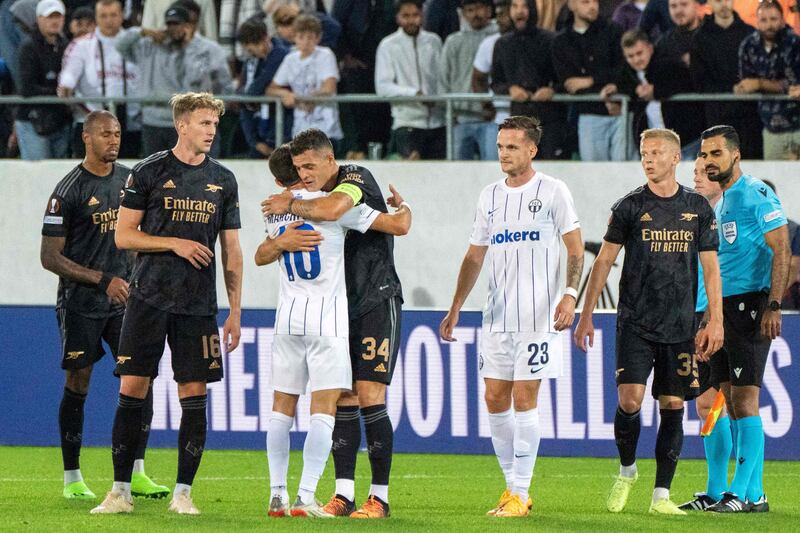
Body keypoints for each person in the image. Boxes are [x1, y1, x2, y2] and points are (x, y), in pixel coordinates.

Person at [89, 92, 243, 516]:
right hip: (148, 298)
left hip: (197, 305)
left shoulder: (224, 180)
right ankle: (120, 492)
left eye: (214, 123)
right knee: (133, 387)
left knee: (193, 393)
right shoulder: (149, 171)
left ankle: (183, 494)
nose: (212, 131)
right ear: (182, 125)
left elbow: (232, 250)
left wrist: (235, 311)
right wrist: (174, 243)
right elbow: (124, 236)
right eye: (204, 123)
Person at [440, 115, 585, 517]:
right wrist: (455, 306)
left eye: (512, 147)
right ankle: (512, 489)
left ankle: (521, 491)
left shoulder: (553, 191)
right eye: (501, 146)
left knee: (525, 399)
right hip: (496, 318)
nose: (503, 153)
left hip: (538, 317)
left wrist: (570, 295)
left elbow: (575, 248)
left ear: (531, 149)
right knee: (493, 397)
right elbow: (474, 256)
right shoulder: (489, 196)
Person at [574, 127, 724, 515]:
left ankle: (662, 495)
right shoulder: (628, 206)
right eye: (644, 152)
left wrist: (716, 321)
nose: (649, 159)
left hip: (679, 326)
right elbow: (604, 262)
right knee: (630, 399)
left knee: (673, 403)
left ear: (675, 158)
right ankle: (627, 470)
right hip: (635, 323)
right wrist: (585, 315)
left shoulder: (698, 209)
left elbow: (711, 270)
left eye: (656, 152)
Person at [256, 143, 411, 518]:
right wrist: (405, 209)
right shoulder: (321, 205)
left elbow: (263, 253)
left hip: (375, 298)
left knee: (368, 394)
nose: (306, 173)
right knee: (342, 399)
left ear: (330, 160)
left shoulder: (348, 183)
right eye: (300, 168)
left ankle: (379, 497)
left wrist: (285, 212)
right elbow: (399, 224)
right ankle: (341, 494)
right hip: (335, 313)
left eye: (311, 165)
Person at [40, 110, 168, 502]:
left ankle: (138, 472)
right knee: (78, 382)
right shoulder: (68, 191)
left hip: (125, 301)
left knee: (139, 379)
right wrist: (102, 280)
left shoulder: (131, 181)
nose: (114, 140)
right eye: (105, 135)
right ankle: (72, 477)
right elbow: (50, 257)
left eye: (117, 134)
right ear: (86, 138)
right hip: (81, 303)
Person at [698, 125, 790, 513]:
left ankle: (744, 492)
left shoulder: (755, 192)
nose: (707, 162)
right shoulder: (721, 202)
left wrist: (773, 304)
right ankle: (746, 493)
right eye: (703, 155)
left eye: (715, 154)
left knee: (745, 399)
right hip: (720, 309)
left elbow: (781, 248)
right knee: (727, 401)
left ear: (735, 155)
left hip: (750, 305)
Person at [678, 157, 732, 511]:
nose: (697, 178)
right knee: (706, 404)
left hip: (725, 318)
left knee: (732, 404)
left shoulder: (730, 217)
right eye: (695, 172)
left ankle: (742, 487)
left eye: (704, 173)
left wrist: (718, 317)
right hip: (697, 316)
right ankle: (716, 490)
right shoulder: (695, 217)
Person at [116, 3, 233, 156]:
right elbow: (120, 45)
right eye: (170, 24)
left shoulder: (207, 49)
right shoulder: (150, 45)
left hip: (192, 124)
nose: (173, 29)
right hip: (153, 121)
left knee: (195, 176)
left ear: (189, 25)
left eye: (177, 24)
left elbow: (224, 86)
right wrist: (142, 32)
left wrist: (189, 46)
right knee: (155, 176)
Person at [600, 30, 704, 159]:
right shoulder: (627, 74)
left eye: (639, 53)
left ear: (650, 48)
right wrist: (614, 92)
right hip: (655, 148)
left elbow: (687, 82)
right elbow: (623, 84)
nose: (636, 60)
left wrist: (657, 91)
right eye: (630, 56)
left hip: (685, 143)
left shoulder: (669, 64)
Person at [59, 0, 142, 159]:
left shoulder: (137, 44)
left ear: (122, 16)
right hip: (91, 123)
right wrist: (66, 86)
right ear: (96, 18)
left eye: (113, 15)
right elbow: (68, 75)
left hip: (131, 125)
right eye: (103, 16)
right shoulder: (81, 45)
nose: (109, 20)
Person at [491, 0, 566, 159]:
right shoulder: (502, 44)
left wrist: (552, 90)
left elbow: (565, 80)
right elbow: (496, 83)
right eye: (515, 6)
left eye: (524, 6)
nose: (519, 11)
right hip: (518, 121)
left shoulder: (551, 40)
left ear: (532, 9)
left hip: (550, 120)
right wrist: (510, 89)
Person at [553, 0, 625, 161]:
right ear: (572, 5)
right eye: (585, 2)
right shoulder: (561, 41)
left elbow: (623, 70)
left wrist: (591, 81)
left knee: (624, 174)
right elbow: (570, 84)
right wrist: (600, 87)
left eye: (595, 1)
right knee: (595, 176)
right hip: (589, 114)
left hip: (620, 111)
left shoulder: (614, 31)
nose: (592, 6)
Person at [691, 0, 763, 159]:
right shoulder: (700, 38)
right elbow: (699, 80)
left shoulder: (751, 33)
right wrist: (732, 89)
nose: (724, 4)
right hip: (717, 116)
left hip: (749, 118)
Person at [375, 0, 445, 159]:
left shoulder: (434, 41)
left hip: (438, 123)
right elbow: (383, 87)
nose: (411, 20)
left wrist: (439, 100)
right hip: (407, 123)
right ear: (398, 18)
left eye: (415, 15)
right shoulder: (388, 45)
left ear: (422, 16)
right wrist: (415, 94)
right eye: (405, 16)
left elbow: (441, 79)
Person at [267, 14, 344, 152]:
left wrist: (308, 99)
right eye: (301, 37)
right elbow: (271, 89)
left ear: (318, 38)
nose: (306, 42)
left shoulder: (326, 55)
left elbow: (329, 87)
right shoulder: (290, 59)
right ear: (294, 37)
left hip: (326, 129)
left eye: (310, 37)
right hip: (300, 130)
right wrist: (286, 94)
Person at [736, 0, 800, 160]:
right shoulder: (748, 45)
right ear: (757, 21)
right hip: (770, 127)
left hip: (798, 124)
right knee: (774, 181)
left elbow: (794, 85)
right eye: (764, 20)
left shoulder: (794, 43)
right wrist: (747, 87)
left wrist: (760, 84)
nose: (769, 25)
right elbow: (746, 83)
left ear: (782, 19)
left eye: (773, 19)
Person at [440, 0, 498, 160]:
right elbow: (443, 80)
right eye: (470, 10)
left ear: (488, 10)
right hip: (460, 119)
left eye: (479, 8)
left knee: (493, 171)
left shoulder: (499, 38)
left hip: (492, 120)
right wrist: (450, 115)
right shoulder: (453, 41)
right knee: (457, 175)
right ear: (463, 13)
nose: (475, 14)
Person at [15, 0, 72, 160]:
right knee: (37, 175)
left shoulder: (66, 45)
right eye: (49, 17)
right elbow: (26, 88)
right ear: (39, 19)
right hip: (32, 121)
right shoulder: (28, 47)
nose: (54, 21)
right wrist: (58, 93)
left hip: (60, 121)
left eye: (58, 17)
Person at [236, 16, 290, 158]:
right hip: (259, 136)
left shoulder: (282, 55)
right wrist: (254, 142)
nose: (252, 53)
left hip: (283, 134)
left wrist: (253, 93)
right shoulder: (250, 62)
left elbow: (252, 92)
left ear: (266, 37)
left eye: (254, 47)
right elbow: (244, 99)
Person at [471, 0, 513, 161]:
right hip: (498, 119)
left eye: (504, 14)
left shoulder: (532, 41)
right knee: (491, 171)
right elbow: (477, 78)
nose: (500, 20)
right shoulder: (489, 43)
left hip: (525, 119)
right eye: (499, 15)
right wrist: (486, 106)